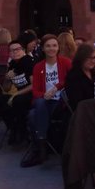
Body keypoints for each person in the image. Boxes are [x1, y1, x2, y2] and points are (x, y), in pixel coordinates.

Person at [22, 34, 72, 167]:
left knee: (33, 115)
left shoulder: (66, 62)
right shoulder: (38, 67)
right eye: (48, 46)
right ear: (43, 49)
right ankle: (42, 146)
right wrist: (44, 95)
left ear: (58, 48)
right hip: (44, 102)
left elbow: (71, 79)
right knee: (36, 108)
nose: (51, 49)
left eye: (54, 45)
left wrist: (56, 87)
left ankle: (39, 149)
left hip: (60, 103)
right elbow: (36, 90)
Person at [0, 40, 35, 146]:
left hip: (31, 94)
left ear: (23, 50)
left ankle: (21, 132)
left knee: (18, 101)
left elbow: (34, 85)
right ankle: (13, 128)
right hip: (18, 95)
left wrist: (16, 95)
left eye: (17, 49)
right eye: (12, 50)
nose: (15, 52)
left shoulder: (28, 62)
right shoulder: (12, 65)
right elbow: (6, 89)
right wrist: (7, 78)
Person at [65, 43, 95, 111]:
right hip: (83, 111)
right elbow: (77, 102)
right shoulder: (73, 76)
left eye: (94, 58)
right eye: (88, 58)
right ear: (81, 58)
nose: (92, 61)